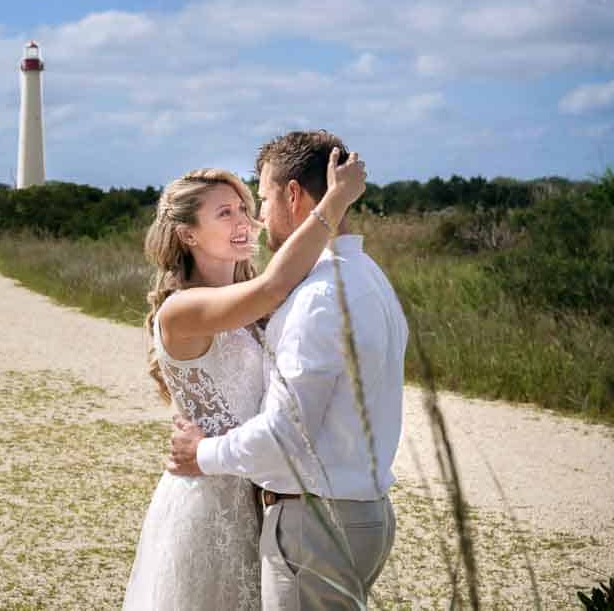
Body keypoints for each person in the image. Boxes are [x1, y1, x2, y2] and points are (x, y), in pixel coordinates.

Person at [168, 130, 409, 609]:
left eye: (258, 200)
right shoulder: (369, 276)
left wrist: (203, 454)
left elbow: (285, 433)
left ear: (293, 195)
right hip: (357, 514)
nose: (254, 218)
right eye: (230, 211)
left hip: (314, 526)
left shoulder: (316, 296)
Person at [122, 151, 366, 610]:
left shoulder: (249, 311)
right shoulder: (182, 308)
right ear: (187, 234)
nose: (243, 222)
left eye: (245, 209)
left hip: (264, 497)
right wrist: (337, 199)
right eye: (225, 212)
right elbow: (272, 286)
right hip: (210, 505)